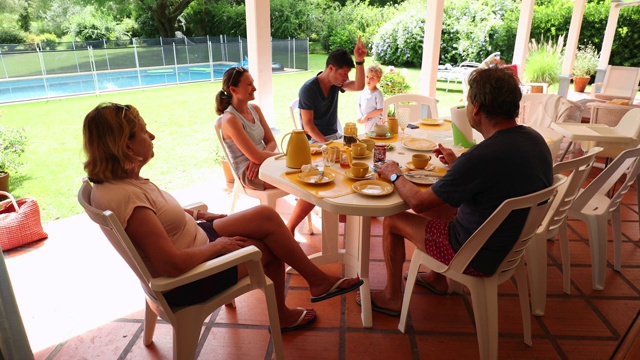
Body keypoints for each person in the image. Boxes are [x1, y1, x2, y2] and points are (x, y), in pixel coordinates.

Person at [82, 103, 363, 332]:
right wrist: (219, 246)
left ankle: (316, 280)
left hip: (194, 238)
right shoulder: (127, 197)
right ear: (127, 147)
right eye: (144, 132)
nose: (152, 136)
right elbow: (170, 263)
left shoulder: (116, 184)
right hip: (188, 279)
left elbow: (157, 217)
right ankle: (286, 314)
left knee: (265, 217)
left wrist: (196, 214)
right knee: (271, 250)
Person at [363, 67, 553, 316]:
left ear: (477, 107)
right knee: (443, 204)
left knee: (393, 221)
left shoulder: (481, 157)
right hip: (508, 245)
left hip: (473, 253)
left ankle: (392, 297)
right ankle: (436, 279)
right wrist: (457, 166)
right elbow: (496, 180)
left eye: (468, 100)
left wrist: (393, 173)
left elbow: (418, 203)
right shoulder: (534, 140)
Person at [214, 66, 314, 235]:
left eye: (253, 83)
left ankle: (289, 229)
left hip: (263, 163)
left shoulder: (255, 109)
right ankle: (287, 231)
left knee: (310, 177)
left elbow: (271, 142)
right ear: (233, 90)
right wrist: (264, 157)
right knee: (305, 180)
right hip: (249, 173)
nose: (254, 88)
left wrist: (259, 158)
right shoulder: (230, 119)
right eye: (249, 84)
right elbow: (256, 155)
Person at [298, 36, 368, 143]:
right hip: (315, 141)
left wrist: (359, 60)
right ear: (331, 68)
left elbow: (359, 86)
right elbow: (308, 126)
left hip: (335, 137)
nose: (346, 78)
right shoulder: (308, 89)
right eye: (343, 73)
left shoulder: (337, 84)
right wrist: (328, 144)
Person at [356, 64, 384, 132]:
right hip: (366, 122)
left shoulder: (378, 94)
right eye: (367, 77)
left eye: (372, 78)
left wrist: (367, 116)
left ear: (378, 80)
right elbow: (359, 105)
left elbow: (380, 110)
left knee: (373, 138)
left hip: (375, 123)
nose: (369, 80)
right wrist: (359, 116)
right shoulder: (363, 92)